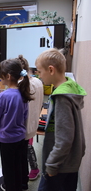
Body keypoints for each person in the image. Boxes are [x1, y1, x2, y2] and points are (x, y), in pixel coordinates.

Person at [35, 48, 86, 191]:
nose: (39, 76)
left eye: (39, 72)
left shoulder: (62, 98)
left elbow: (64, 138)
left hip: (60, 166)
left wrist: (51, 165)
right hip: (68, 161)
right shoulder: (69, 87)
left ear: (51, 70)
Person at [0, 58, 33, 191]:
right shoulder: (23, 92)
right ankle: (20, 186)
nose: (0, 79)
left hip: (7, 139)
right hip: (20, 137)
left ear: (8, 76)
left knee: (8, 169)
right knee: (18, 165)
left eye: (1, 76)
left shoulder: (4, 96)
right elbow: (25, 116)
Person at [16, 55, 44, 186]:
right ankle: (29, 170)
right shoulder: (38, 81)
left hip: (23, 125)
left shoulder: (21, 85)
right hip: (34, 122)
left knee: (26, 148)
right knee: (28, 146)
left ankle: (34, 169)